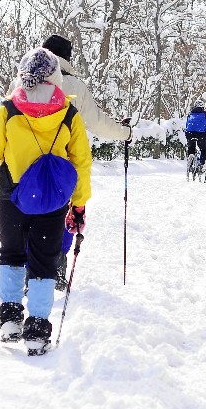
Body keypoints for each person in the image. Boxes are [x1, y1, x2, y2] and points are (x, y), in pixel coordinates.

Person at [0, 47, 93, 355]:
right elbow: (81, 163)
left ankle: (10, 319)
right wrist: (79, 204)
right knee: (44, 262)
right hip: (53, 203)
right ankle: (37, 328)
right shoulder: (69, 115)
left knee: (11, 254)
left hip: (12, 197)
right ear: (55, 79)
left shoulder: (7, 111)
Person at [42, 34, 130, 286]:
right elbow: (97, 122)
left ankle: (30, 268)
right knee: (64, 213)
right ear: (67, 59)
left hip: (25, 163)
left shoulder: (23, 81)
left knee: (30, 210)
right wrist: (126, 133)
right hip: (64, 164)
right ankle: (57, 266)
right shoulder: (75, 87)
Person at [184, 100, 206, 165]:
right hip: (200, 135)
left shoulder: (190, 114)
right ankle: (201, 163)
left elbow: (187, 124)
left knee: (191, 148)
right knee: (204, 149)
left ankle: (190, 163)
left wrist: (187, 133)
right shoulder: (205, 115)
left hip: (189, 134)